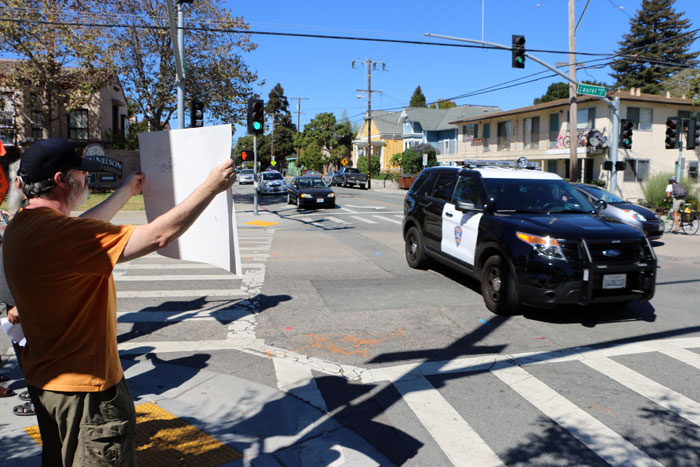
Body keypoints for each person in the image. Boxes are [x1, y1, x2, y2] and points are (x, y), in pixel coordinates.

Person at [2, 137, 236, 466]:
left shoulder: (22, 227)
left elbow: (83, 227)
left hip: (47, 385)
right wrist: (211, 187)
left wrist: (126, 191)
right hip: (88, 395)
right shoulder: (65, 237)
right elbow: (159, 236)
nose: (86, 179)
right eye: (81, 173)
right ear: (60, 180)